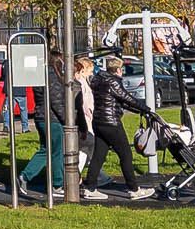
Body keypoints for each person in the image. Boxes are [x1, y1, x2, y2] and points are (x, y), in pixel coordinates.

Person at [83, 58, 154, 200]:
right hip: (111, 122)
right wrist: (145, 108)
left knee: (99, 155)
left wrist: (138, 110)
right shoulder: (113, 81)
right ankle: (133, 189)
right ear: (118, 70)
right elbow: (126, 98)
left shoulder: (98, 80)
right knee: (126, 155)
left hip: (98, 121)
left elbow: (119, 101)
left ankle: (90, 187)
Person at [19, 53, 70, 194]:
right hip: (53, 119)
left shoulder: (40, 75)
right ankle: (57, 183)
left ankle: (26, 176)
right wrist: (67, 120)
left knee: (45, 149)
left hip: (41, 117)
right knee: (56, 151)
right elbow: (56, 101)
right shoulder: (52, 76)